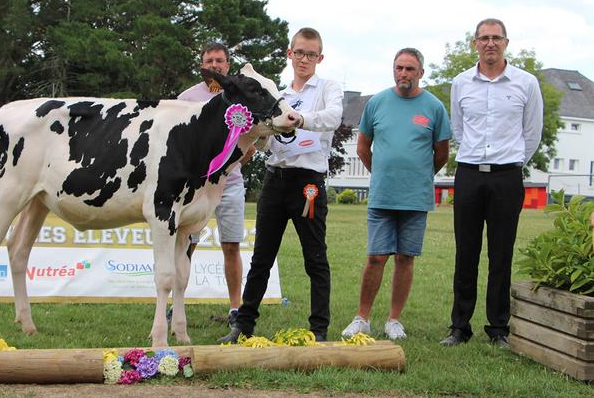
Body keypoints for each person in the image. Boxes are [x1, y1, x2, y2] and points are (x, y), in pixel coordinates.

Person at [219, 27, 344, 343]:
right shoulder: (277, 94)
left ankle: (318, 330)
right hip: (275, 179)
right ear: (290, 54)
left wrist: (300, 120)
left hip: (308, 185)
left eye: (311, 54)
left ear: (320, 57)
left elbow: (333, 118)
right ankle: (243, 326)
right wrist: (256, 137)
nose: (304, 59)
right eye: (299, 52)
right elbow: (264, 142)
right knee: (261, 257)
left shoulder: (328, 88)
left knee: (315, 258)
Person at [440, 18, 543, 349]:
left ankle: (498, 328)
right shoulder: (460, 83)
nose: (490, 43)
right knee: (465, 254)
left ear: (506, 42)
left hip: (507, 176)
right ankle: (459, 327)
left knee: (501, 255)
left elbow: (532, 134)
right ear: (475, 44)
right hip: (469, 174)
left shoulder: (526, 84)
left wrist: (511, 162)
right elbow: (459, 129)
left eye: (496, 38)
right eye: (483, 38)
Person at [341, 48, 451, 341]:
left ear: (421, 73)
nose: (404, 74)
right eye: (399, 68)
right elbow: (363, 147)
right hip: (383, 196)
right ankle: (362, 317)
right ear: (394, 70)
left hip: (416, 197)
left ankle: (393, 320)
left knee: (405, 257)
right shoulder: (377, 103)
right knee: (376, 257)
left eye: (410, 69)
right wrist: (382, 173)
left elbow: (441, 154)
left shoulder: (434, 107)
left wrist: (418, 175)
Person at [177, 42, 253, 327]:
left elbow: (251, 140)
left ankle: (236, 308)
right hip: (194, 187)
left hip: (231, 184)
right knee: (187, 245)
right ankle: (177, 305)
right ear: (202, 65)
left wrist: (232, 165)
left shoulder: (242, 96)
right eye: (209, 60)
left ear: (228, 64)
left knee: (231, 246)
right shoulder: (186, 98)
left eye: (219, 60)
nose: (214, 65)